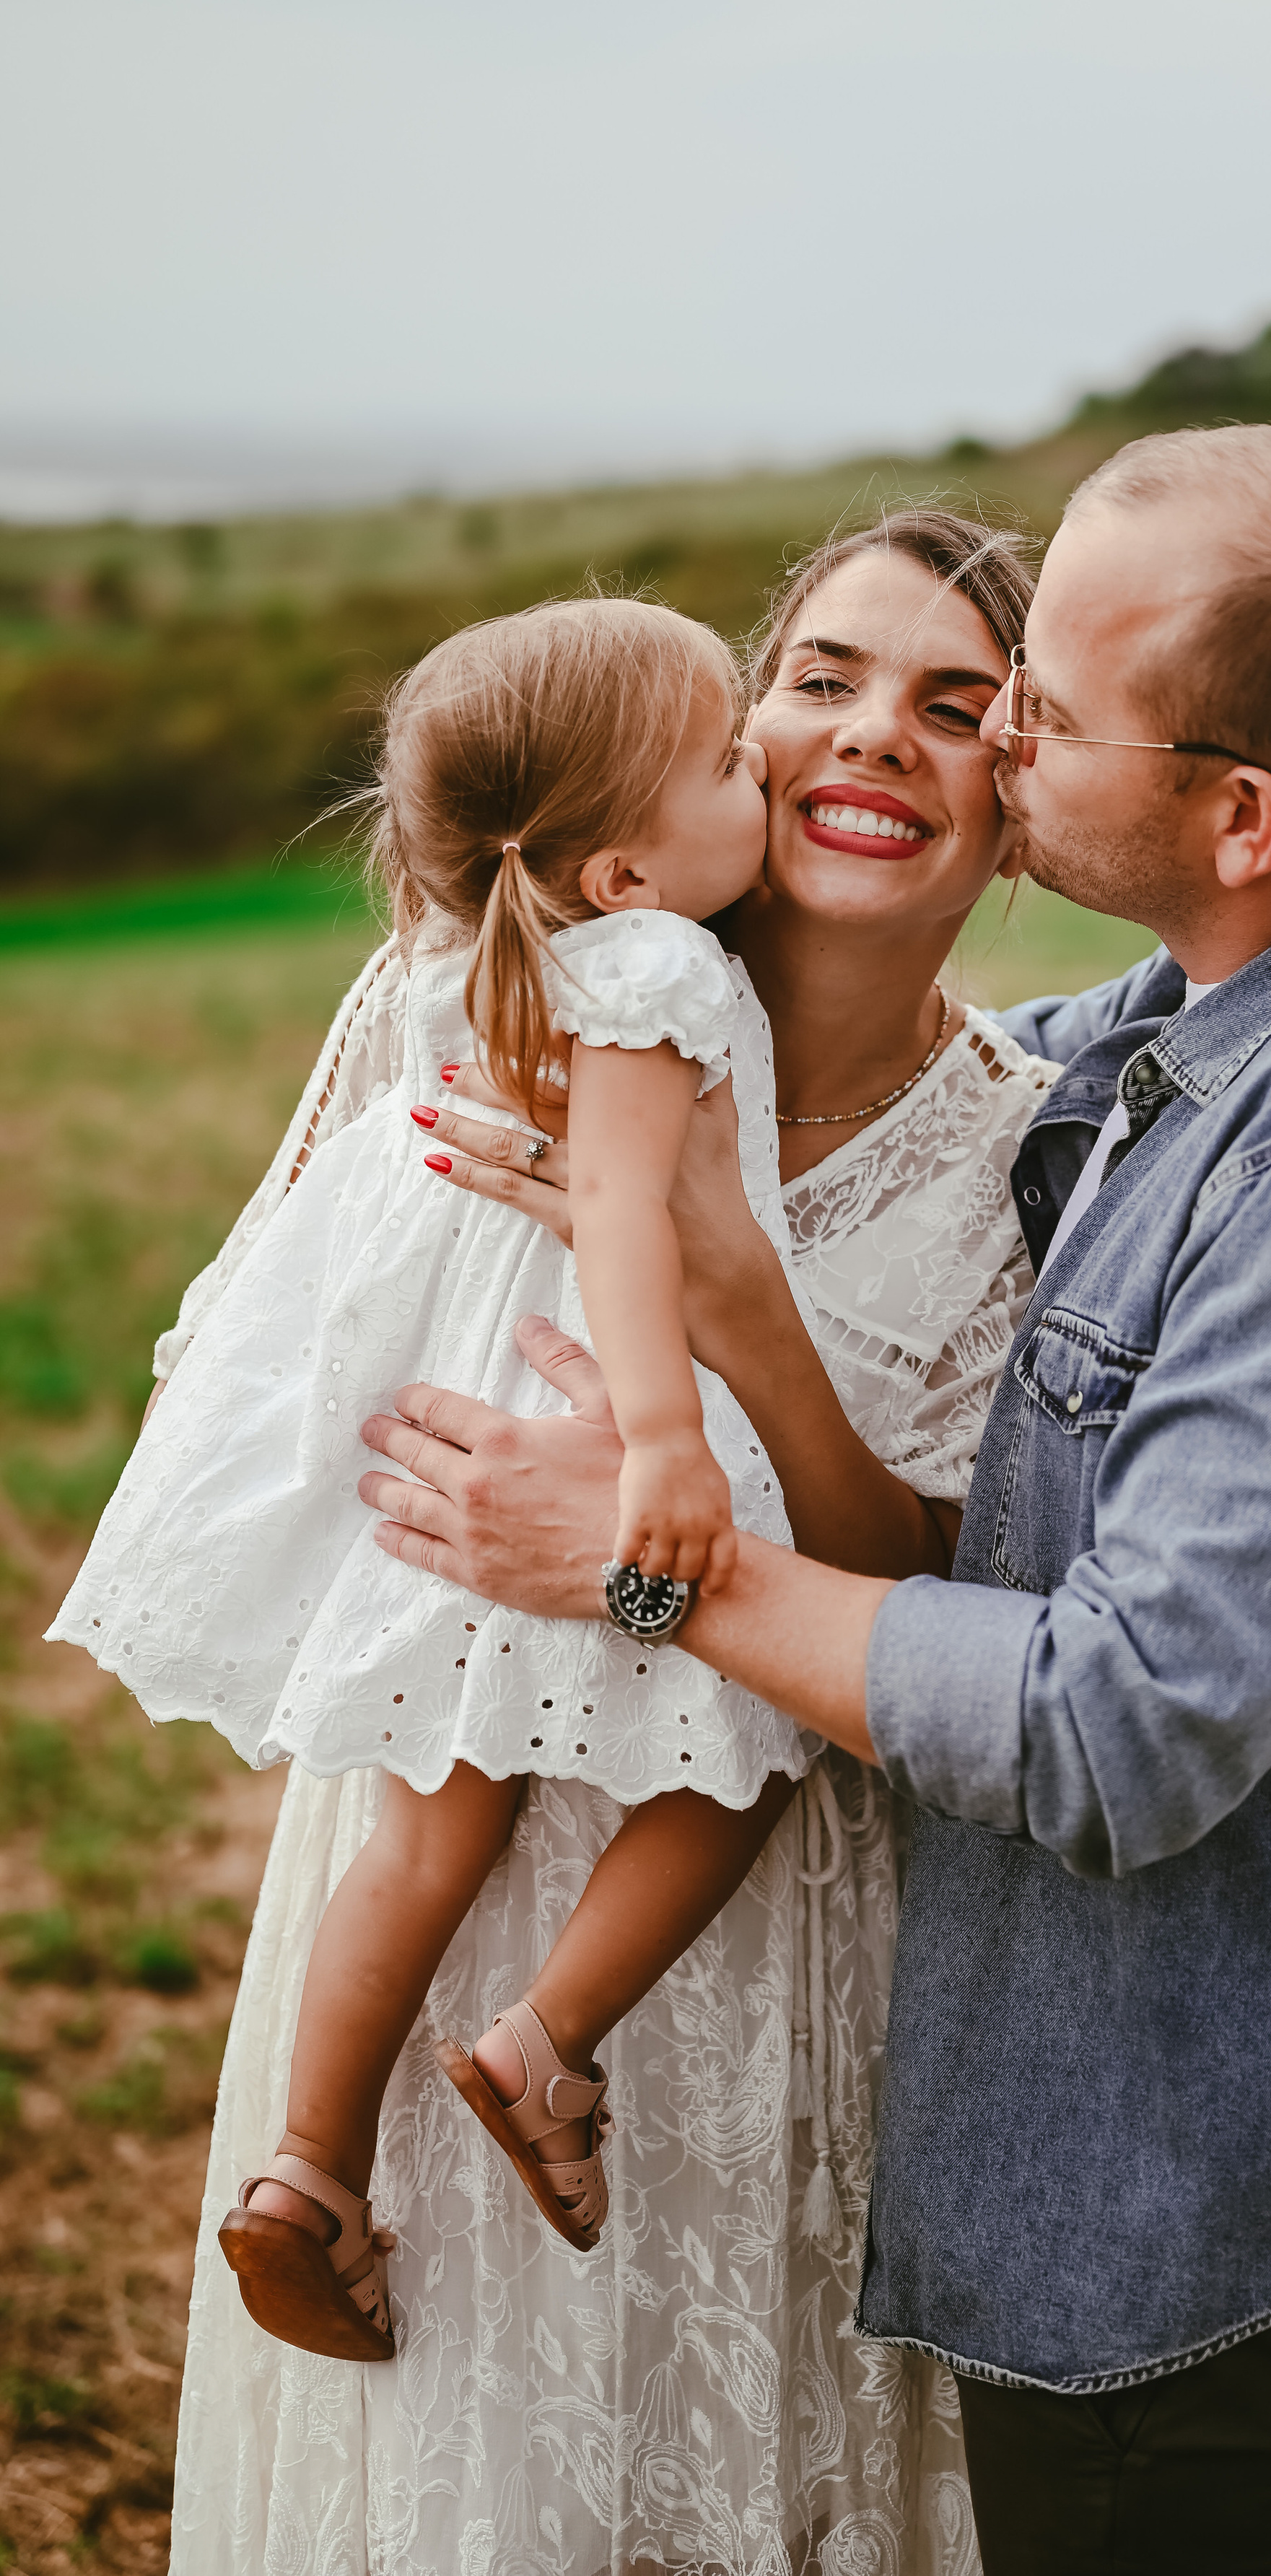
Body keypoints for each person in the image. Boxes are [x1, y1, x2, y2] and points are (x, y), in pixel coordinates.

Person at [360, 426, 1271, 2576]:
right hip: (1105, 2126)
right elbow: (976, 1084)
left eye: (1036, 700)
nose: (996, 732)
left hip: (1190, 2183)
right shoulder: (1244, 994)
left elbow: (1118, 1721)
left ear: (1241, 811)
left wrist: (649, 1568)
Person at [164, 512, 1053, 2570]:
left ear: (1025, 798)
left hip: (750, 1935)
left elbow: (942, 1586)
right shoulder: (513, 988)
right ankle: (326, 2160)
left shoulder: (1028, 1144)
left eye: (954, 706)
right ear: (733, 733)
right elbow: (301, 1331)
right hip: (445, 1828)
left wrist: (731, 1334)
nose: (873, 737)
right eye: (823, 677)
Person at [55, 594, 824, 2354]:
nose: (757, 773)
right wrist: (663, 1441)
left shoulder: (449, 957)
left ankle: (308, 2171)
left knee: (426, 1826)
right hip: (579, 1414)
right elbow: (624, 1209)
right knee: (751, 1755)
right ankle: (544, 2044)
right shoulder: (657, 969)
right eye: (725, 759)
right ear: (624, 871)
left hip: (434, 1431)